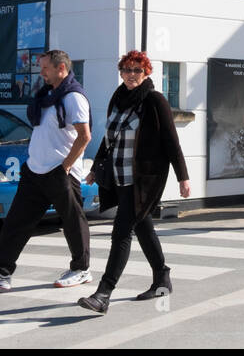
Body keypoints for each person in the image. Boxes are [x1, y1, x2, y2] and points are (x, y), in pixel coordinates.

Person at [0, 49, 92, 290]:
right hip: (35, 171)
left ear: (61, 69)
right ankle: (1, 272)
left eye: (45, 67)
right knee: (16, 221)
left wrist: (64, 167)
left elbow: (84, 136)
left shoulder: (73, 97)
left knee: (73, 221)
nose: (41, 72)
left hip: (60, 171)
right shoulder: (47, 95)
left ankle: (81, 269)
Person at [78, 50, 190, 315]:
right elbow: (110, 137)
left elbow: (171, 142)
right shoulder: (118, 98)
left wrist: (182, 177)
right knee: (142, 227)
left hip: (143, 180)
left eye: (136, 70)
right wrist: (96, 166)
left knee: (121, 232)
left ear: (146, 72)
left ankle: (103, 293)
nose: (130, 75)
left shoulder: (154, 101)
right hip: (119, 177)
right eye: (126, 70)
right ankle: (162, 277)